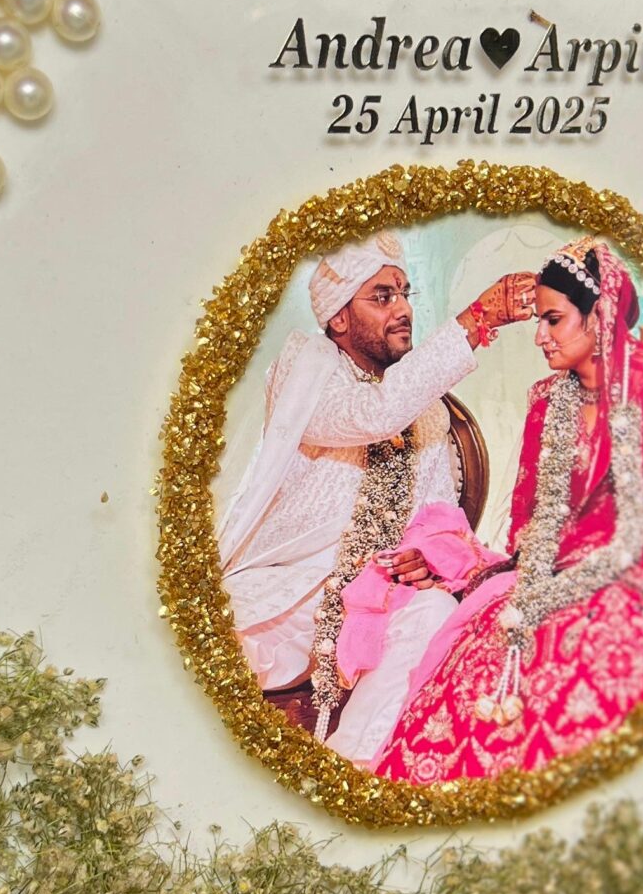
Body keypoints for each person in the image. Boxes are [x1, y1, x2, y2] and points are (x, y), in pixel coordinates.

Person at [374, 238, 643, 784]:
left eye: (554, 320)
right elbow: (527, 524)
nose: (539, 336)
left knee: (589, 646)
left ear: (600, 315)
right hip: (545, 576)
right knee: (477, 659)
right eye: (538, 320)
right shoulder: (546, 401)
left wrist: (608, 570)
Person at [217, 233, 534, 756]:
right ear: (339, 317)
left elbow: (441, 516)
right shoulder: (308, 366)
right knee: (209, 644)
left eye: (405, 294)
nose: (403, 309)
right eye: (383, 297)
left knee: (435, 611)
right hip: (286, 592)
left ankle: (353, 772)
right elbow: (373, 415)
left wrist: (429, 559)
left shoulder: (427, 412)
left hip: (376, 599)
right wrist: (477, 320)